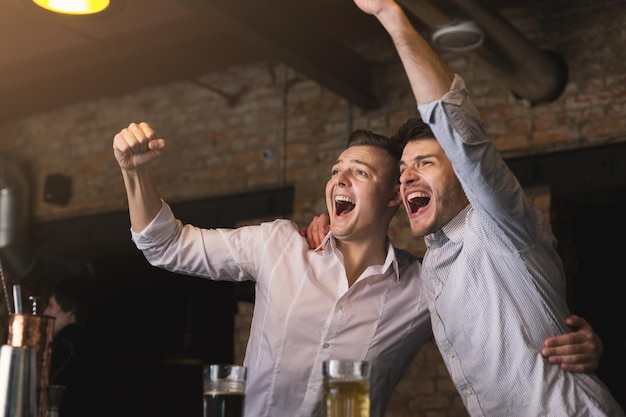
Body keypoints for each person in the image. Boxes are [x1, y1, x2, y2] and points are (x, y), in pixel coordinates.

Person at [111, 20, 602, 417]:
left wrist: (585, 345)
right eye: (335, 171)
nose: (339, 180)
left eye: (359, 172)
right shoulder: (279, 245)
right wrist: (134, 176)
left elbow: (502, 319)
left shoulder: (423, 283)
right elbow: (166, 245)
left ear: (393, 198)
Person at [346, 0, 625, 414]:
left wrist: (390, 12)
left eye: (424, 163)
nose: (406, 177)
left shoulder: (500, 222)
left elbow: (456, 126)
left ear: (461, 174)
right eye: (403, 169)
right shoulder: (430, 267)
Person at [42, 276, 94, 417]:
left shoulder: (66, 347)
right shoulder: (88, 343)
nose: (45, 312)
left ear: (70, 310)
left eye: (51, 306)